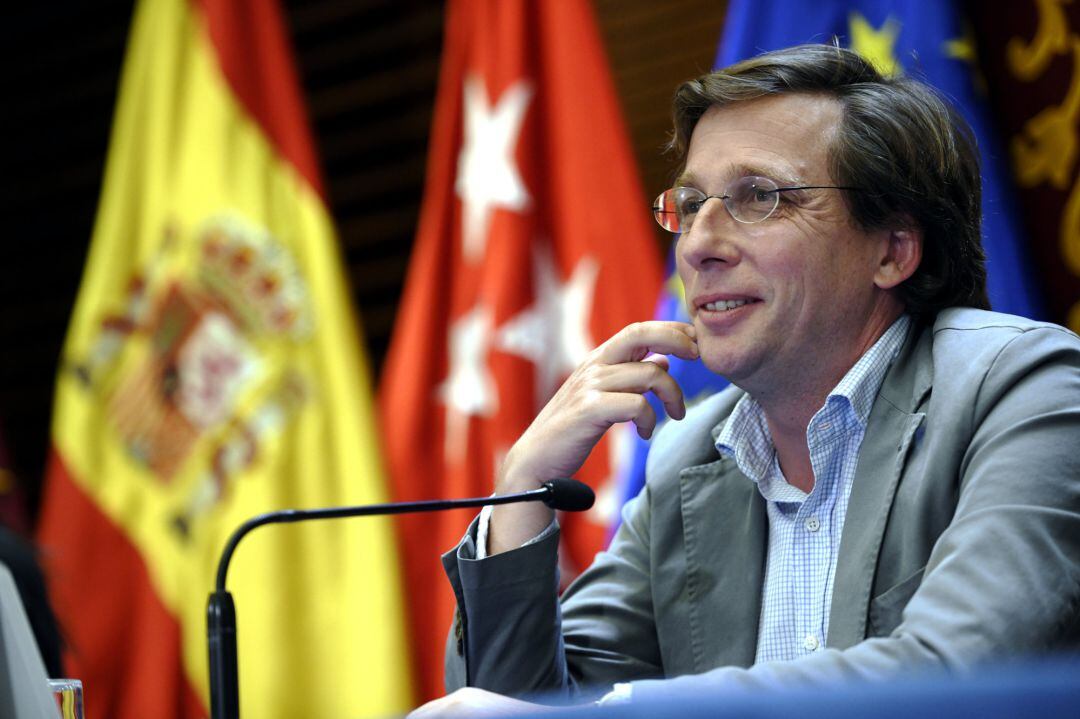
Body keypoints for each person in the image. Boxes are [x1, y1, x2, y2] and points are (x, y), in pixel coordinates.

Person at [410, 43, 1080, 715]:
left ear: (892, 250)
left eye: (758, 197)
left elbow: (951, 679)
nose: (698, 245)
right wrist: (522, 485)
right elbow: (508, 702)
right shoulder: (693, 458)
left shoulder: (1025, 391)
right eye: (692, 203)